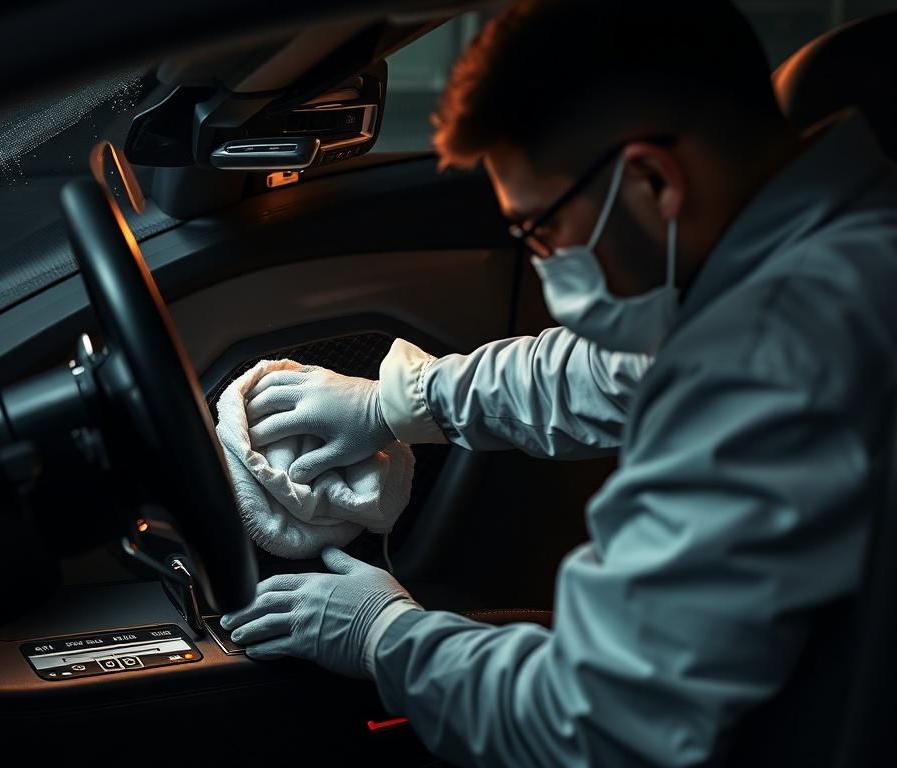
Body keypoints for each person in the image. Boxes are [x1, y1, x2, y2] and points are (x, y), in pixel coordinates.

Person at [219, 0, 897, 764]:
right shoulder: (838, 259)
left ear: (649, 181)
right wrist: (395, 403)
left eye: (541, 230)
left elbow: (594, 724)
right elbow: (604, 373)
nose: (543, 262)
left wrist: (386, 637)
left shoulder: (765, 355)